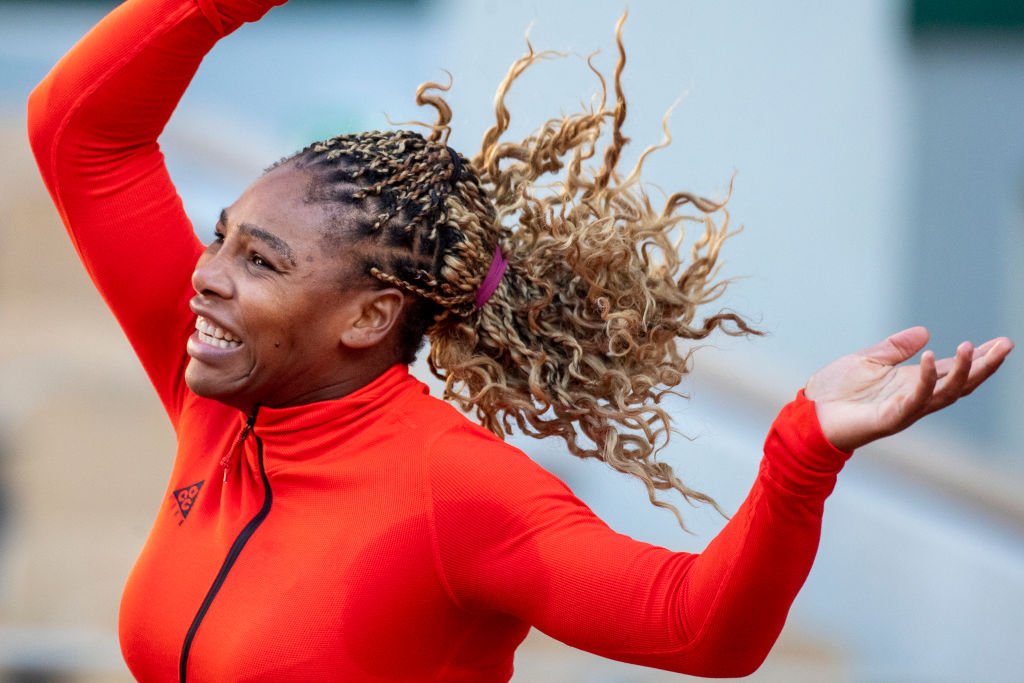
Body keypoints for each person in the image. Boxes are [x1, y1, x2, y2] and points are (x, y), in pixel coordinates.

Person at [26, 0, 1012, 681]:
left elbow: (699, 624)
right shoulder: (220, 398)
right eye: (219, 238)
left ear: (368, 316)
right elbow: (76, 129)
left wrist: (802, 450)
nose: (205, 274)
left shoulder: (456, 490)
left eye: (263, 260)